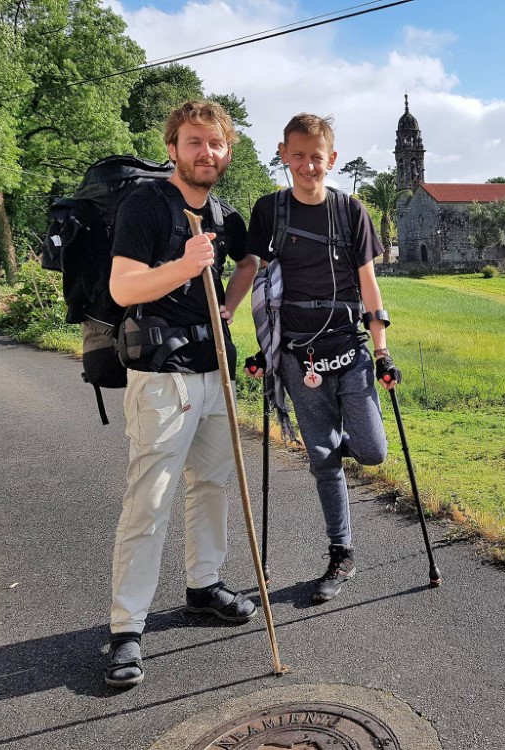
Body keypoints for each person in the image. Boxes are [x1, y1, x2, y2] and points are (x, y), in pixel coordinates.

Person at [104, 100, 260, 688]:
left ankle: (204, 586)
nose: (206, 153)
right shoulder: (147, 204)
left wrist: (229, 302)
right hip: (161, 375)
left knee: (212, 485)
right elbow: (123, 288)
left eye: (216, 144)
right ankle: (126, 628)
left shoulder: (224, 211)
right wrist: (186, 263)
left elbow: (248, 259)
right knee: (150, 501)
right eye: (195, 142)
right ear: (173, 147)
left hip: (213, 369)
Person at [245, 113, 400, 605]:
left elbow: (368, 279)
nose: (308, 165)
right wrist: (262, 347)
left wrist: (381, 349)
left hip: (349, 350)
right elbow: (261, 283)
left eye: (317, 156)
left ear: (331, 159)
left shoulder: (351, 210)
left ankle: (332, 451)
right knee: (323, 460)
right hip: (297, 355)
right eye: (299, 156)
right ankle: (341, 551)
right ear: (284, 156)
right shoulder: (269, 210)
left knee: (373, 451)